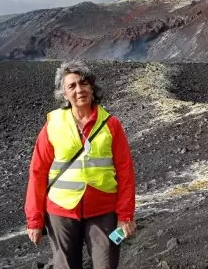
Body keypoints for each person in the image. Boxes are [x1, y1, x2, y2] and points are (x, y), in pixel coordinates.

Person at [24, 60, 136, 269]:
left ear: (92, 87)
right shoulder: (53, 125)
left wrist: (125, 216)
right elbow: (37, 173)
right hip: (60, 212)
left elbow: (125, 172)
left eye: (84, 83)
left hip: (104, 212)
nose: (79, 90)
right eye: (72, 86)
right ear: (64, 94)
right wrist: (34, 219)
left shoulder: (111, 124)